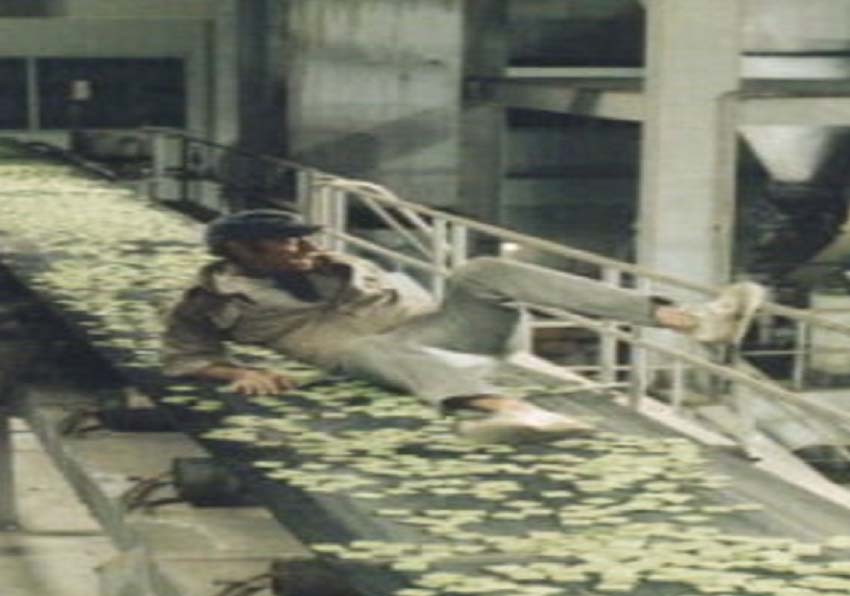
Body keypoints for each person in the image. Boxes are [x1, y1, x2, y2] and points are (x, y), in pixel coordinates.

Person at [162, 210, 766, 443]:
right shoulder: (206, 301)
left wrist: (337, 269)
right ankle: (510, 409)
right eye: (283, 245)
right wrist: (240, 369)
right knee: (365, 348)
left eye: (303, 240)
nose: (301, 250)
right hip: (382, 358)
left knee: (480, 269)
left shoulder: (340, 264)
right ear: (240, 252)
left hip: (450, 335)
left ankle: (692, 321)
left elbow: (415, 296)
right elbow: (184, 359)